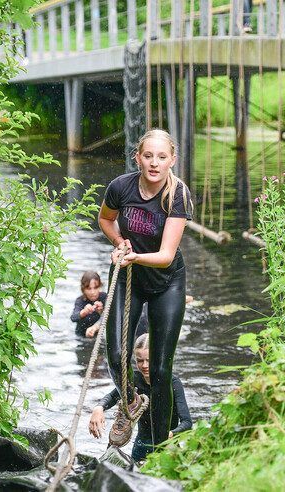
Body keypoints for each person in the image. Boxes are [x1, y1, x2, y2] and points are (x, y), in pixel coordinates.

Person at [98, 128, 193, 449]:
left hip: (166, 283)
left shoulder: (177, 194)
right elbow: (106, 221)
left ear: (172, 160)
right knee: (115, 354)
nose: (154, 163)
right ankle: (129, 404)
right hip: (127, 277)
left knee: (162, 369)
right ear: (137, 157)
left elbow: (166, 256)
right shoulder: (120, 187)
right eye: (148, 156)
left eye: (162, 157)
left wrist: (135, 255)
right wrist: (119, 242)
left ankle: (159, 444)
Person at [89, 334, 192, 461]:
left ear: (159, 357)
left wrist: (171, 434)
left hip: (168, 447)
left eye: (149, 360)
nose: (144, 365)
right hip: (140, 447)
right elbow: (112, 396)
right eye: (140, 360)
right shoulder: (134, 380)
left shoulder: (172, 383)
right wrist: (98, 408)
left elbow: (187, 423)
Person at [70, 271, 107, 338]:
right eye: (89, 289)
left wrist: (101, 311)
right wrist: (84, 312)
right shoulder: (80, 301)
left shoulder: (104, 297)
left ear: (100, 286)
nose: (93, 292)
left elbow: (108, 316)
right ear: (83, 289)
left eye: (95, 288)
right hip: (81, 337)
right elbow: (73, 318)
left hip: (98, 335)